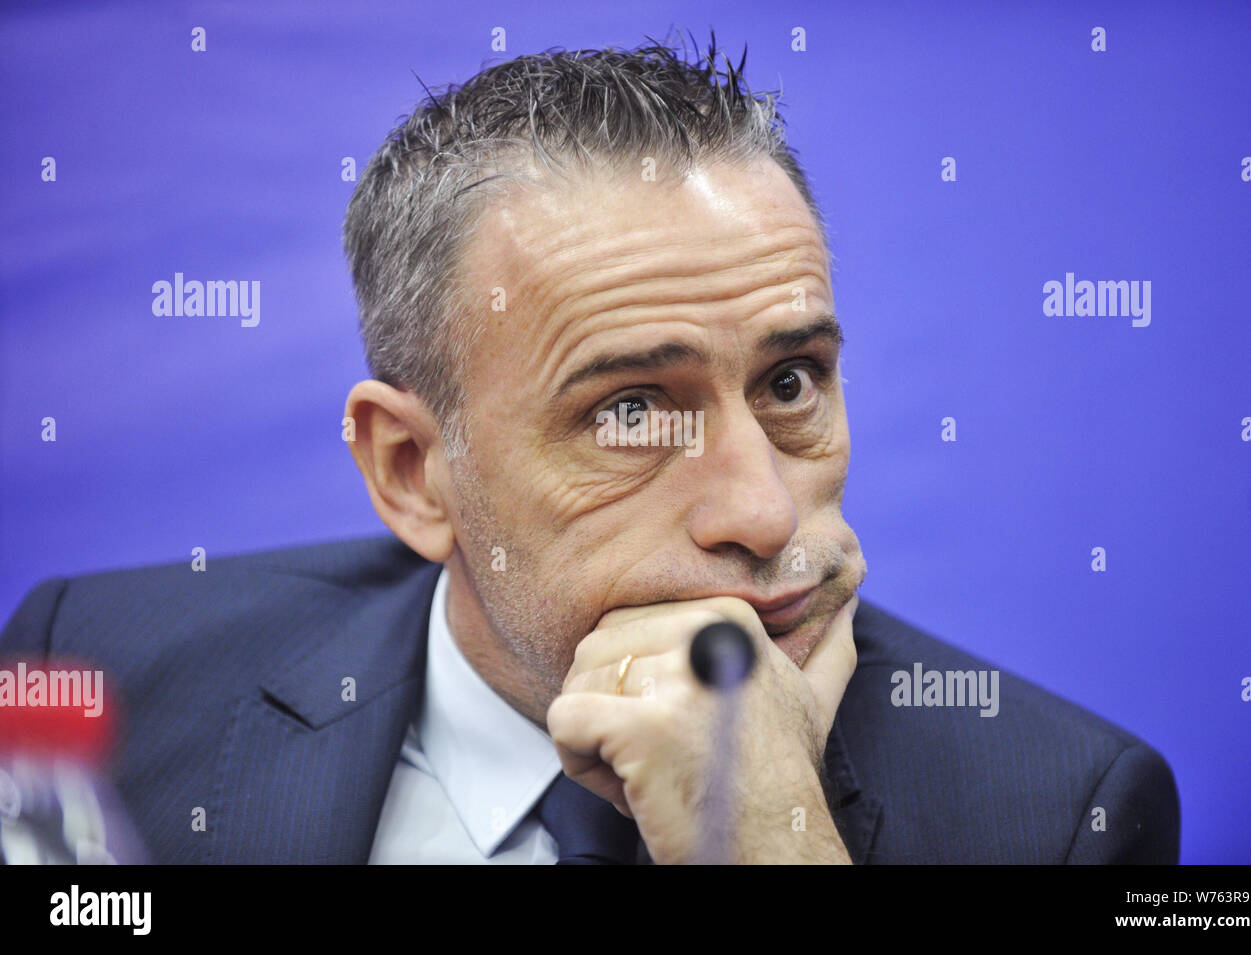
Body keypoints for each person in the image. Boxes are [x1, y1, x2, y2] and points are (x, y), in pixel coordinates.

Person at [0, 38, 1178, 864]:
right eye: (630, 414)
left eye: (789, 382)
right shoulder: (90, 668)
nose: (765, 515)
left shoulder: (1060, 813)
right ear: (412, 470)